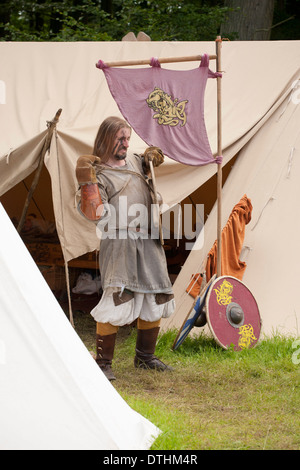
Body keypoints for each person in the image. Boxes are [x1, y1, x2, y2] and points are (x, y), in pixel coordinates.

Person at [76, 116, 175, 380]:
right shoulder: (98, 172)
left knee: (155, 295)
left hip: (149, 240)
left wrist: (149, 159)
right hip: (120, 244)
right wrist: (87, 181)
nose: (125, 143)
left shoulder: (134, 161)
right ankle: (103, 364)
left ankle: (145, 357)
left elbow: (146, 172)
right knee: (118, 297)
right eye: (120, 138)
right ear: (106, 138)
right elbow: (96, 213)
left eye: (127, 138)